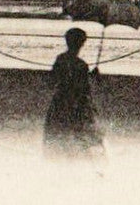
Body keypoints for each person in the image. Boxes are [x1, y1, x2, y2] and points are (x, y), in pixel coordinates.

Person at [44, 27, 104, 161]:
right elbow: (84, 89)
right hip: (76, 105)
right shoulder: (81, 65)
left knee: (58, 136)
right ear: (82, 44)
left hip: (60, 103)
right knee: (80, 137)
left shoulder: (60, 59)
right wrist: (93, 78)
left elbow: (52, 81)